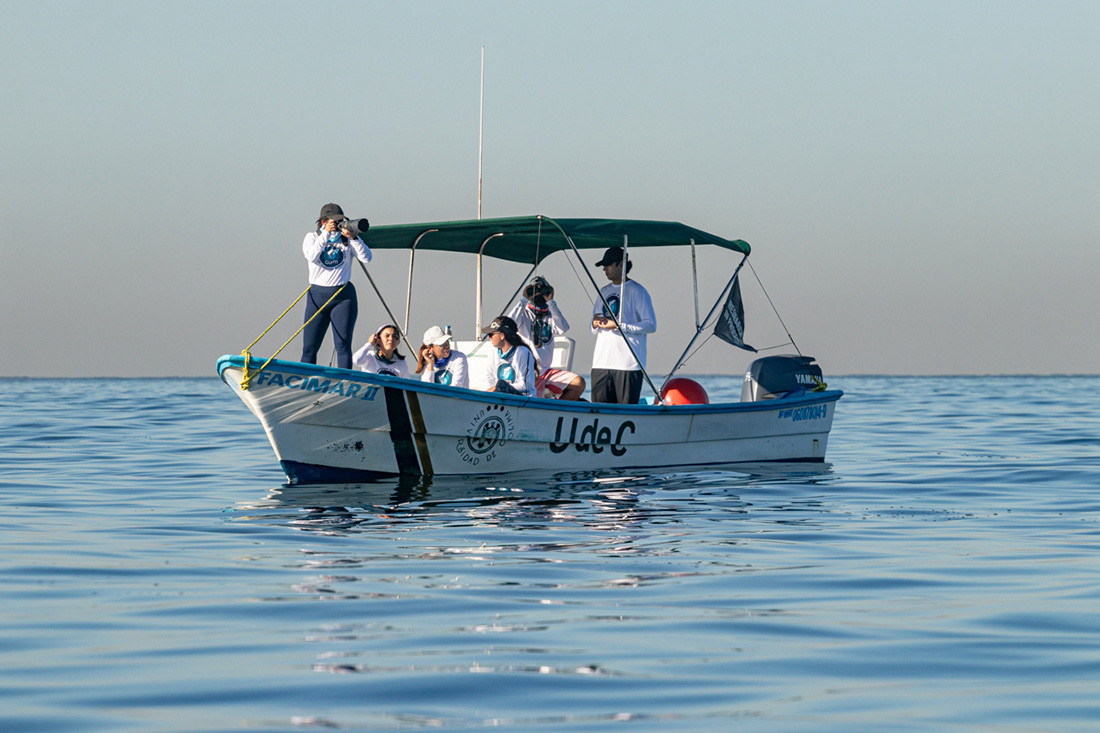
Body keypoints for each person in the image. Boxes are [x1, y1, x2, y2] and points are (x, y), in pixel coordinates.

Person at [300, 203, 372, 369]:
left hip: (342, 297)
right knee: (309, 347)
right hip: (317, 297)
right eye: (334, 221)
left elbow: (367, 257)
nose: (337, 225)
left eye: (340, 221)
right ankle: (305, 380)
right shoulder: (312, 237)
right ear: (324, 221)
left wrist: (353, 238)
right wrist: (325, 234)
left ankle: (344, 382)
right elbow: (311, 256)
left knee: (343, 345)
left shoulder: (347, 239)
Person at [590, 246, 656, 404]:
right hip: (601, 363)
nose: (604, 269)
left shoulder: (638, 291)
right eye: (603, 266)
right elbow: (593, 328)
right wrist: (595, 323)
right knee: (599, 412)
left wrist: (619, 326)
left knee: (625, 412)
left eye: (608, 265)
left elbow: (651, 325)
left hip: (628, 365)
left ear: (621, 264)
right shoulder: (603, 291)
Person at [507, 276, 586, 400]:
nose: (538, 293)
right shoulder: (523, 314)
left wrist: (551, 302)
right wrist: (523, 300)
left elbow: (562, 328)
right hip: (526, 373)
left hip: (545, 372)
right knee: (530, 395)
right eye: (534, 290)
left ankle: (557, 411)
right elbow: (508, 325)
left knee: (578, 383)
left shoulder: (550, 314)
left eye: (542, 290)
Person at [479, 316, 538, 397]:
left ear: (502, 336)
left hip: (522, 400)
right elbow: (488, 377)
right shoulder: (493, 352)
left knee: (501, 384)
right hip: (499, 399)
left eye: (491, 334)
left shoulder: (522, 352)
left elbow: (526, 385)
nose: (489, 337)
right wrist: (491, 392)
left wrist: (498, 387)